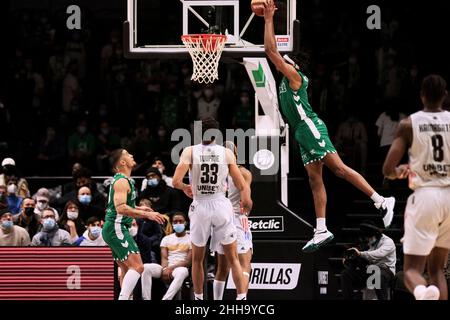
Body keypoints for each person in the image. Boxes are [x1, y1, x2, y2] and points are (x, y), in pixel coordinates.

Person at [263, 1, 395, 253]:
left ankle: (381, 201)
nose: (283, 64)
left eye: (287, 61)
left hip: (310, 126)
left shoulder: (295, 76)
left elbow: (270, 51)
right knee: (315, 180)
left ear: (295, 66)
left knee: (339, 170)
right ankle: (321, 228)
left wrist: (269, 19)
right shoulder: (285, 79)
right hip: (301, 132)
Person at [383, 74, 450, 300]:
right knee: (437, 269)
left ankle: (422, 292)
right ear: (445, 96)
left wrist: (398, 171)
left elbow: (387, 167)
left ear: (422, 96)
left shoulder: (409, 123)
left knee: (412, 269)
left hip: (425, 196)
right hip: (449, 197)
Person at [172, 118, 252, 300]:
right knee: (233, 259)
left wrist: (186, 187)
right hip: (221, 205)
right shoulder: (226, 153)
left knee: (197, 259)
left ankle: (199, 299)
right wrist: (246, 200)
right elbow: (241, 185)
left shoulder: (189, 151)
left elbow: (176, 181)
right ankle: (241, 299)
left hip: (200, 205)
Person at [102, 149, 165, 300]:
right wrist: (147, 214)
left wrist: (138, 208)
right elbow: (121, 208)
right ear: (122, 162)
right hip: (116, 227)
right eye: (128, 154)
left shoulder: (123, 180)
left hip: (115, 227)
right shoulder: (122, 181)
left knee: (125, 270)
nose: (132, 155)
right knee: (138, 267)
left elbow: (120, 204)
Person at [212, 141, 253, 300]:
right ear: (235, 154)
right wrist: (248, 207)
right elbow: (247, 202)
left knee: (222, 268)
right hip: (237, 217)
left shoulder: (213, 173)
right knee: (245, 263)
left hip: (218, 219)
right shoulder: (243, 173)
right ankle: (241, 300)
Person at [141, 212, 192, 300]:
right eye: (175, 222)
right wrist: (165, 269)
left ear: (185, 223)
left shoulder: (191, 239)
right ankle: (146, 298)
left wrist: (171, 268)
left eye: (181, 221)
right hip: (166, 267)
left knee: (181, 272)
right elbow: (164, 258)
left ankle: (166, 299)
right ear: (172, 224)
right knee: (145, 267)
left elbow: (188, 262)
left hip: (180, 267)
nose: (178, 224)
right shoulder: (166, 239)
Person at [341, 221, 396, 300]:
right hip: (370, 269)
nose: (368, 239)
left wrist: (360, 253)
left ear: (375, 235)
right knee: (346, 274)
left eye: (369, 237)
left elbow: (379, 254)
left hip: (386, 270)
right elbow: (362, 257)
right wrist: (348, 259)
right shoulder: (368, 243)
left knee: (378, 275)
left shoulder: (388, 242)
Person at [134, 199, 163, 264]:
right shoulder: (136, 220)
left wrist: (148, 241)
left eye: (147, 210)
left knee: (151, 258)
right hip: (137, 246)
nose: (145, 212)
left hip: (151, 247)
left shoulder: (154, 220)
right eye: (143, 210)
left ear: (151, 209)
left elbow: (158, 234)